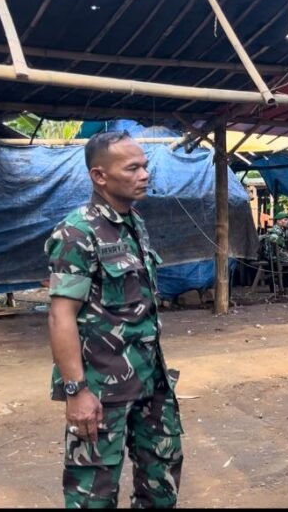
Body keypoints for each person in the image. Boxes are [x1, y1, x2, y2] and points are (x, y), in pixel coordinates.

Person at [45, 131, 182, 508]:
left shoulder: (134, 223)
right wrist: (76, 391)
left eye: (145, 167)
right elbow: (60, 316)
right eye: (132, 168)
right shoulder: (77, 232)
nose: (144, 175)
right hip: (101, 389)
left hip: (151, 381)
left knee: (161, 484)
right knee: (93, 494)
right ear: (99, 176)